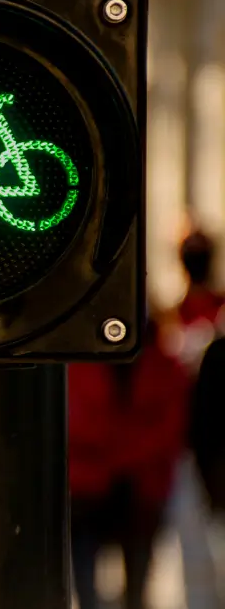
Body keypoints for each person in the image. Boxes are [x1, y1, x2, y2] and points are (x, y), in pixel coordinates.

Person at [68, 315, 189, 609]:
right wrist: (125, 450)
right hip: (89, 490)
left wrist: (115, 453)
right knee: (85, 582)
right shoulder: (79, 366)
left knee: (136, 583)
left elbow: (169, 429)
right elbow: (77, 423)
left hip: (139, 490)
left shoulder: (164, 366)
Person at [169, 230, 224, 609]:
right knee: (194, 547)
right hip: (182, 445)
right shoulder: (172, 316)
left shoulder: (216, 312)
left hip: (210, 443)